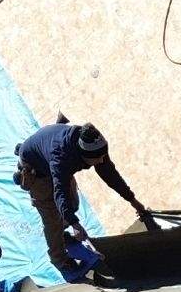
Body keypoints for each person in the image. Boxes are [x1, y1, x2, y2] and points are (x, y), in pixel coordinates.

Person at [14, 118, 152, 276]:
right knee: (52, 218)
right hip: (37, 171)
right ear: (83, 155)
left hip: (49, 155)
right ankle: (59, 259)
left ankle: (64, 232)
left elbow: (110, 175)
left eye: (102, 157)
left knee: (73, 203)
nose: (101, 161)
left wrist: (133, 201)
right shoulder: (60, 157)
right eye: (97, 159)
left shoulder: (95, 144)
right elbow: (60, 193)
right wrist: (76, 225)